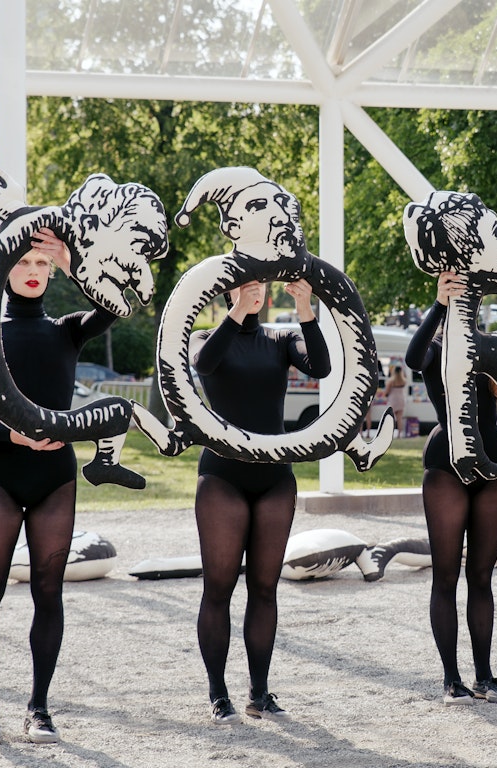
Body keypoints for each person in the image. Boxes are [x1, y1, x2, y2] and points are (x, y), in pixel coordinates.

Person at [0, 228, 118, 745]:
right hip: (2, 474)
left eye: (42, 264)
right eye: (24, 260)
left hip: (56, 479)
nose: (32, 269)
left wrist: (72, 261)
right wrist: (11, 432)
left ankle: (40, 709)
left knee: (49, 593)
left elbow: (118, 305)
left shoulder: (67, 330)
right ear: (4, 270)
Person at [405, 270, 497, 706]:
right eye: (460, 297)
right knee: (446, 575)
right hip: (446, 465)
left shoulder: (495, 349)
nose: (467, 304)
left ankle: (485, 676)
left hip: (493, 465)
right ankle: (452, 678)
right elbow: (414, 358)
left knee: (482, 577)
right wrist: (437, 304)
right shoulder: (437, 348)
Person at [189, 278, 331, 725]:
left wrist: (306, 307)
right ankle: (218, 694)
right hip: (222, 477)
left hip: (274, 476)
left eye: (261, 285)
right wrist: (235, 312)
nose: (255, 292)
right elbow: (206, 365)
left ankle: (260, 691)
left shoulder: (281, 337)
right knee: (219, 587)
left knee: (265, 589)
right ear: (228, 290)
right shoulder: (205, 336)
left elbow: (322, 368)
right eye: (245, 285)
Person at [384, 365, 408, 435]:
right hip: (401, 399)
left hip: (393, 400)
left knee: (391, 418)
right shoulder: (404, 381)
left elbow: (386, 393)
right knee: (399, 418)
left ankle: (391, 434)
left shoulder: (391, 381)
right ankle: (399, 434)